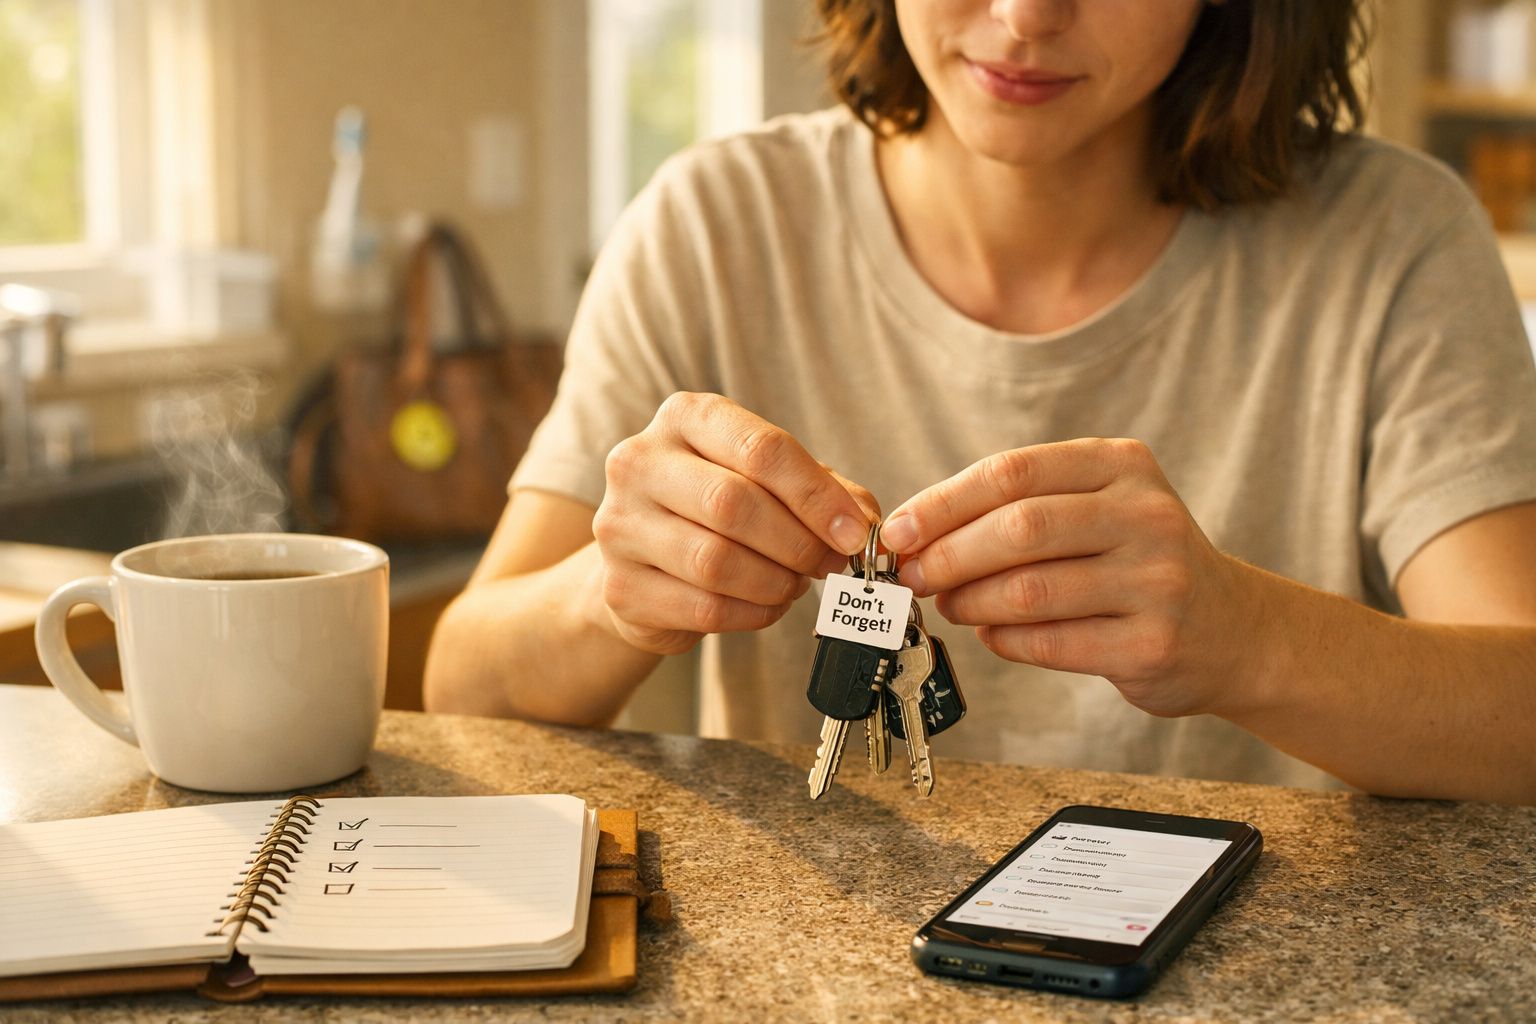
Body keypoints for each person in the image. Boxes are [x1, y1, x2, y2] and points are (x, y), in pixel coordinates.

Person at [424, 0, 1536, 804]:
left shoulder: (1395, 239)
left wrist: (1248, 639)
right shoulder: (713, 224)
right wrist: (607, 601)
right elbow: (462, 688)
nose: (1024, 16)